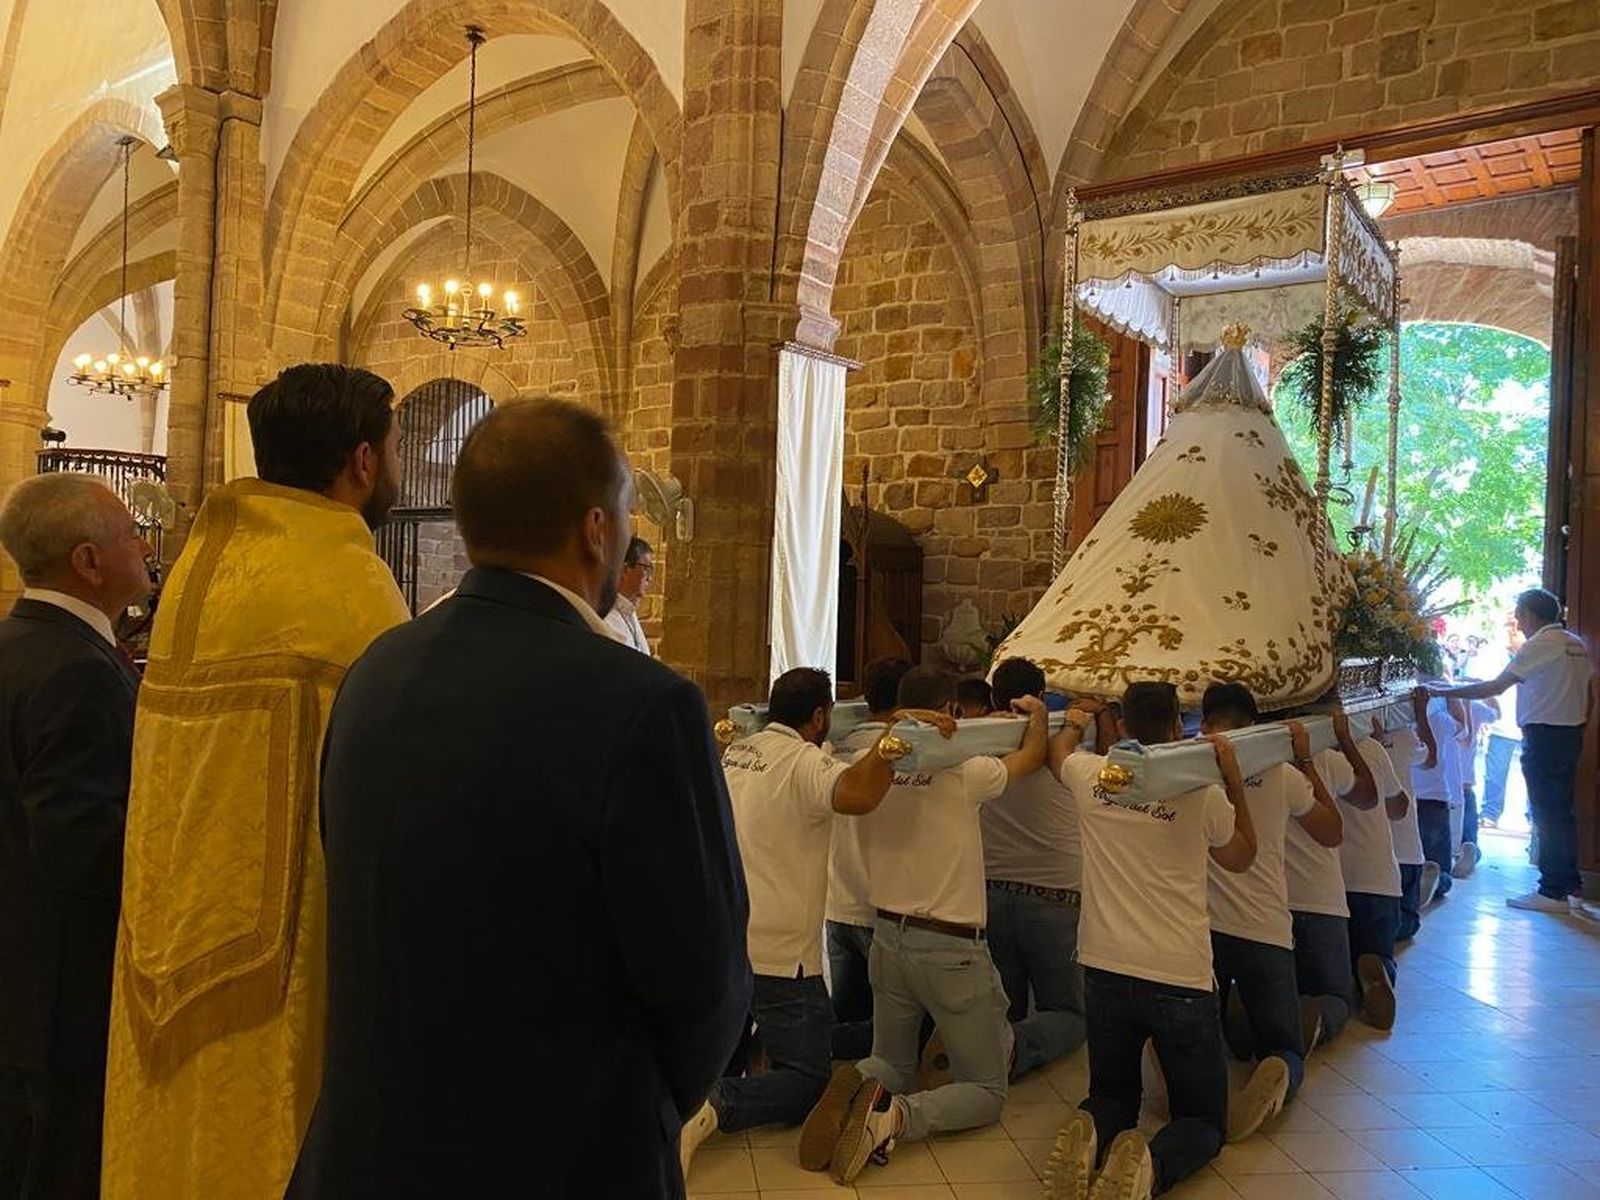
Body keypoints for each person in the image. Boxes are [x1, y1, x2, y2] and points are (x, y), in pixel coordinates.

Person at [287, 398, 750, 1198]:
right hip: (562, 1157)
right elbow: (703, 984)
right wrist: (638, 1113)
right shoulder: (642, 704)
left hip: (372, 1151)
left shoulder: (375, 671)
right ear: (595, 529)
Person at [101, 365, 414, 1200]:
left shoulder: (207, 569)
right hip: (283, 961)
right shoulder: (348, 587)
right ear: (360, 461)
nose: (395, 464)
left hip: (170, 941)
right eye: (393, 448)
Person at [688, 667, 951, 1176]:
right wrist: (892, 740)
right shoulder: (804, 761)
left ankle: (705, 1095)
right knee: (808, 1078)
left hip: (726, 936)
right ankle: (716, 1105)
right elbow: (858, 795)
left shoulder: (739, 750)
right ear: (818, 716)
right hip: (782, 954)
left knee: (743, 1041)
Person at [805, 666, 1047, 1184]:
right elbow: (1029, 758)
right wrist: (1043, 719)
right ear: (951, 713)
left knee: (891, 1062)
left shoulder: (869, 768)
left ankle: (854, 1086)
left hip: (888, 939)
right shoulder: (963, 771)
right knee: (985, 1088)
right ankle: (895, 1119)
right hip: (951, 948)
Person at [0, 475, 151, 1200]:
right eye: (131, 534)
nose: (146, 545)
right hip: (61, 987)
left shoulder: (16, 643)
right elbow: (82, 845)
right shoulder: (76, 670)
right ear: (89, 561)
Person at [1047, 681, 1256, 1200]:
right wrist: (1233, 781)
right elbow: (1241, 856)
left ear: (1122, 726)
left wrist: (1076, 719)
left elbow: (1060, 756)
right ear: (1175, 729)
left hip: (1104, 964)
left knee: (1112, 1094)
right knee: (1204, 1120)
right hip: (1178, 974)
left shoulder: (1094, 776)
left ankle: (1093, 1134)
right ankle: (1151, 1169)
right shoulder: (1199, 793)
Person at [1197, 684, 1342, 1142]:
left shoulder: (1189, 775)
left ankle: (1198, 1067)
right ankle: (1278, 1066)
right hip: (1266, 930)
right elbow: (1331, 831)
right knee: (1283, 1043)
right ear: (1256, 726)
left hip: (1205, 932)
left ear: (1204, 726)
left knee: (1200, 1034)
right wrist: (1303, 760)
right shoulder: (1281, 774)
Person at [1425, 588, 1595, 914]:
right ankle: (1571, 885)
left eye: (1519, 614)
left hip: (1545, 735)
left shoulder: (1542, 644)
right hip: (1571, 734)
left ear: (1530, 613)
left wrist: (1443, 689)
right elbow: (1590, 694)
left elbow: (1495, 686)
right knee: (1563, 812)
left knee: (1547, 813)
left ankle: (1552, 891)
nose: (1517, 621)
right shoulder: (1576, 644)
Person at [981, 659, 1092, 1081]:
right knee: (1068, 1011)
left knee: (1005, 1003)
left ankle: (996, 1052)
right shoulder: (1062, 746)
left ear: (993, 698)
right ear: (1041, 698)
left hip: (991, 888)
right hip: (1054, 895)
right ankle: (1014, 1048)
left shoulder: (979, 742)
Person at [825, 657, 913, 1062]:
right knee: (895, 1030)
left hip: (838, 900)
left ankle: (823, 1074)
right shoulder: (908, 754)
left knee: (847, 1014)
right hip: (882, 908)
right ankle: (796, 1050)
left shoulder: (833, 745)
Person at [1284, 713, 1374, 1049]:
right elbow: (1367, 798)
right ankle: (1321, 1015)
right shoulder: (1325, 758)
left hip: (1271, 906)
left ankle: (1253, 1012)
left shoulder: (1233, 764)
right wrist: (1345, 741)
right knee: (1339, 994)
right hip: (1321, 901)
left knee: (1281, 990)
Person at [1340, 728, 1408, 1030]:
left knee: (1333, 971)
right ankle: (1380, 969)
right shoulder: (1371, 747)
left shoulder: (1304, 754)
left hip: (1334, 885)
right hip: (1379, 878)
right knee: (1377, 948)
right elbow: (1399, 807)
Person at [1410, 690, 1462, 904]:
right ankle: (1435, 881)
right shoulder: (1442, 719)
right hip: (1436, 798)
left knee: (1412, 857)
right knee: (1443, 871)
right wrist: (1456, 699)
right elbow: (1462, 728)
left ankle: (1419, 884)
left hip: (1411, 796)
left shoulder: (1400, 724)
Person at [604, 534, 653, 653]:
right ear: (625, 570)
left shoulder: (629, 611)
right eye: (646, 568)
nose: (650, 578)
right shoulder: (606, 615)